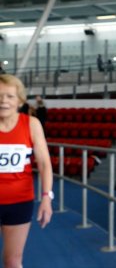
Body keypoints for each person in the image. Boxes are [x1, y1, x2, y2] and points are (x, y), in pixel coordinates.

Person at [0, 74, 53, 268]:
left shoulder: (31, 124)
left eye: (9, 96)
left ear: (20, 101)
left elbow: (45, 164)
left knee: (13, 261)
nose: (3, 101)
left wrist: (47, 197)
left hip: (19, 202)